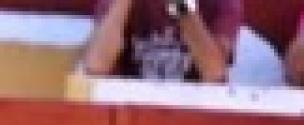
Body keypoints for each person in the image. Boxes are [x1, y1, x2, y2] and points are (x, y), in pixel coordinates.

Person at [80, 0, 240, 82]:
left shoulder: (221, 3)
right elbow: (95, 66)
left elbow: (215, 73)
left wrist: (180, 5)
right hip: (132, 110)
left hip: (196, 114)